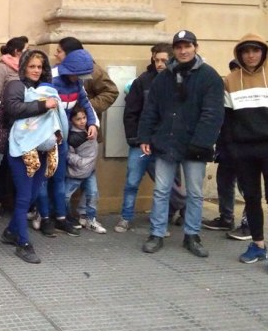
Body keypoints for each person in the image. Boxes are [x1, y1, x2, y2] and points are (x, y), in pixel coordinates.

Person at [138, 30, 224, 257]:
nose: (183, 51)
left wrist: (201, 142)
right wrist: (145, 136)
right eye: (179, 47)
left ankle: (192, 235)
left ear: (196, 47)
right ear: (174, 50)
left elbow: (213, 114)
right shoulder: (164, 77)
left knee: (195, 193)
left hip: (195, 145)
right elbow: (151, 109)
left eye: (187, 46)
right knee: (161, 191)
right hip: (166, 142)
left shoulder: (209, 76)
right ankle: (156, 234)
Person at [223, 33, 268, 276]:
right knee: (251, 199)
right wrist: (232, 147)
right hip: (244, 150)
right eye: (246, 51)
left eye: (255, 50)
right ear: (239, 54)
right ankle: (257, 245)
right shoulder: (230, 80)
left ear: (263, 52)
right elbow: (227, 119)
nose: (251, 55)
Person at [0, 49, 64, 263]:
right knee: (24, 196)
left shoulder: (47, 88)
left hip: (43, 149)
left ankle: (11, 232)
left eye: (40, 67)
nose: (36, 70)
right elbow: (13, 108)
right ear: (24, 67)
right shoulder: (15, 85)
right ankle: (23, 243)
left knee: (33, 194)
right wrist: (43, 104)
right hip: (21, 149)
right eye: (32, 66)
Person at [115, 43, 187, 233]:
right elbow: (131, 112)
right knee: (132, 182)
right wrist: (134, 138)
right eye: (156, 60)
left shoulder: (179, 81)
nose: (160, 64)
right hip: (141, 142)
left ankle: (169, 216)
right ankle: (126, 217)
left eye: (164, 60)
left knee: (169, 186)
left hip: (166, 143)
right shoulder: (143, 81)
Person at [53, 37, 118, 221]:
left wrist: (82, 112)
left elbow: (111, 91)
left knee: (87, 177)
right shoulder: (57, 73)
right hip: (66, 132)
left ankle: (83, 215)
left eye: (59, 51)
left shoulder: (93, 70)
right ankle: (61, 212)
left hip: (85, 133)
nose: (56, 54)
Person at [44, 48, 98, 235]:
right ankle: (43, 216)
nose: (79, 79)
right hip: (46, 137)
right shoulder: (52, 79)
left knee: (59, 179)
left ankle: (60, 217)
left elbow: (85, 102)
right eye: (78, 75)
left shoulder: (77, 82)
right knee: (44, 179)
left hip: (62, 139)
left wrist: (92, 123)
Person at [0, 36, 28, 219]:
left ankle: (19, 203)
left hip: (24, 124)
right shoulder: (1, 68)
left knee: (21, 165)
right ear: (17, 51)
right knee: (1, 165)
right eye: (26, 49)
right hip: (4, 124)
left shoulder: (27, 69)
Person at [203, 59, 246, 234]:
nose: (235, 74)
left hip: (245, 147)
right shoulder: (225, 90)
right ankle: (226, 218)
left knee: (247, 186)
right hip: (227, 146)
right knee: (224, 182)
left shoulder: (251, 93)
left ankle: (248, 224)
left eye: (238, 70)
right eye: (233, 70)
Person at [65, 105, 104, 233]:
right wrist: (81, 163)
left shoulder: (91, 128)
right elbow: (68, 154)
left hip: (90, 170)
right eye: (78, 119)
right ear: (71, 120)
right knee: (65, 196)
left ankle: (90, 219)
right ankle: (68, 218)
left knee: (93, 194)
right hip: (75, 172)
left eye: (84, 117)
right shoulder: (71, 136)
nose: (82, 121)